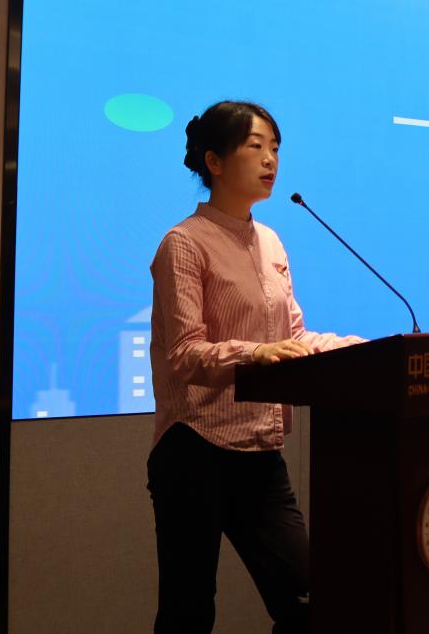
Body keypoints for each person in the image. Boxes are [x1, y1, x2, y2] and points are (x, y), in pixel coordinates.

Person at [147, 100, 364, 634]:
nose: (271, 160)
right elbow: (184, 353)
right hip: (194, 449)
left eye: (276, 148)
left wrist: (356, 348)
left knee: (310, 602)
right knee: (187, 613)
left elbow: (291, 337)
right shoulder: (184, 244)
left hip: (260, 454)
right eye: (256, 146)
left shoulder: (270, 241)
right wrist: (253, 353)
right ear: (214, 161)